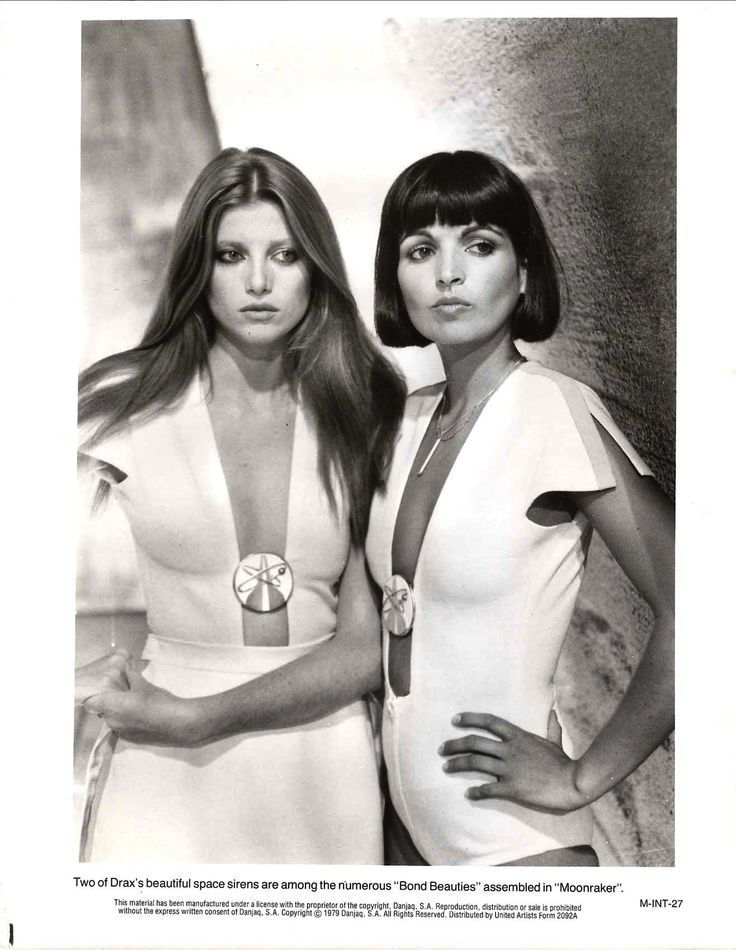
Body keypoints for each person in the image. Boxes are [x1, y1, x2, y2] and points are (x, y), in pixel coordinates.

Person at [76, 146, 405, 863]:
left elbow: (361, 651)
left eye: (285, 255)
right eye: (232, 255)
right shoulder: (118, 405)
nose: (258, 282)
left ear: (316, 267)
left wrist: (201, 719)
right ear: (199, 267)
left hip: (321, 751)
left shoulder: (364, 406)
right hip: (162, 751)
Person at [366, 150, 674, 867]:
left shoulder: (553, 409)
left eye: (479, 245)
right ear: (396, 277)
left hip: (514, 846)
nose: (448, 273)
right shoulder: (404, 421)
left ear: (525, 271)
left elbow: (703, 604)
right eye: (421, 250)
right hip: (406, 839)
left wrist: (581, 779)